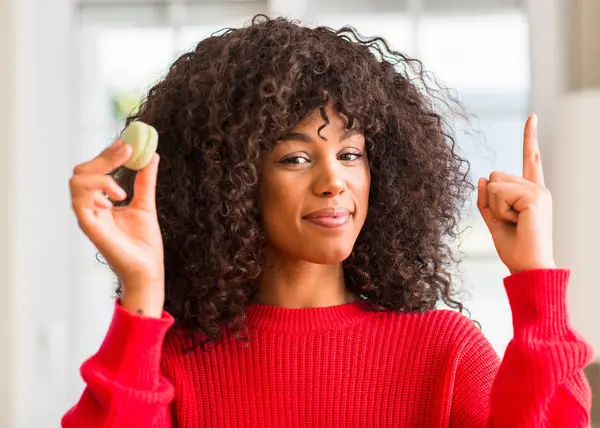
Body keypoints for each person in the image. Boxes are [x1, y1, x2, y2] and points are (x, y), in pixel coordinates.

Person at [62, 15, 592, 428]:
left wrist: (535, 278)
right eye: (295, 158)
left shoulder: (443, 352)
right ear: (233, 181)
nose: (333, 181)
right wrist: (142, 289)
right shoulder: (174, 365)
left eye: (350, 154)